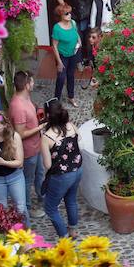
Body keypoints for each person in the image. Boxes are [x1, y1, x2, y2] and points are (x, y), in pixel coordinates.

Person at [40, 100, 83, 238]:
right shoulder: (70, 125)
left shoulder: (46, 137)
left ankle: (63, 236)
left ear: (47, 116)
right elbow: (79, 139)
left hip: (61, 176)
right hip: (77, 170)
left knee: (50, 208)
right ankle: (73, 230)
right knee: (70, 200)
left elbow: (47, 165)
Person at [9, 71, 47, 220]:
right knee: (27, 181)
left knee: (39, 174)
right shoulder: (18, 106)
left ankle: (42, 199)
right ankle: (27, 209)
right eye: (31, 82)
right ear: (26, 85)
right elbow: (20, 133)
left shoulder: (25, 98)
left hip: (36, 148)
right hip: (28, 151)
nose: (33, 84)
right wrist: (40, 127)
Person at [51, 4, 82, 108]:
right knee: (61, 77)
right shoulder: (57, 28)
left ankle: (71, 96)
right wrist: (59, 62)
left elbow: (76, 33)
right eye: (66, 13)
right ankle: (56, 99)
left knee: (71, 75)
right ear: (61, 15)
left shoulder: (73, 23)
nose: (69, 15)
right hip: (62, 55)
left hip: (73, 53)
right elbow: (54, 46)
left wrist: (79, 40)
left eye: (70, 12)